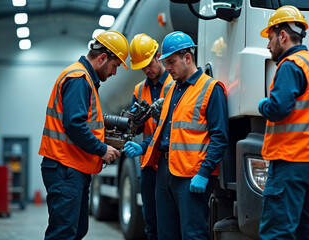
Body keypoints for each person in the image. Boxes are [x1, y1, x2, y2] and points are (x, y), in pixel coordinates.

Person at [123, 31, 229, 240]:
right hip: (165, 172)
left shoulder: (210, 89)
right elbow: (164, 132)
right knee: (165, 234)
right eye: (166, 62)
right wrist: (143, 148)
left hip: (190, 176)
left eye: (171, 62)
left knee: (193, 234)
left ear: (187, 58)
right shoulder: (171, 90)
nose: (167, 68)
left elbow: (219, 137)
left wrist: (204, 173)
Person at [38, 30, 129, 240]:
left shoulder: (85, 79)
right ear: (103, 57)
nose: (114, 72)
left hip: (72, 167)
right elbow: (74, 125)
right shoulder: (79, 79)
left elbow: (82, 123)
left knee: (76, 230)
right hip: (65, 168)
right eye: (115, 66)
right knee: (63, 233)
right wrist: (101, 149)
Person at [257, 6, 309, 240]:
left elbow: (278, 108)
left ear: (283, 36)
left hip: (292, 160)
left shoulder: (290, 65)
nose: (268, 45)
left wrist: (263, 104)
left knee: (277, 232)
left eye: (270, 38)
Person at [126, 33, 173, 240]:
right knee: (151, 222)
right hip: (148, 163)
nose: (147, 70)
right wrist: (134, 121)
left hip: (170, 161)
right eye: (142, 67)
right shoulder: (139, 89)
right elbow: (134, 127)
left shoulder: (175, 82)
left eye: (149, 64)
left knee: (170, 221)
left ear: (158, 56)